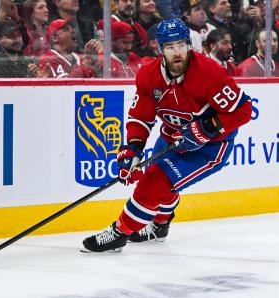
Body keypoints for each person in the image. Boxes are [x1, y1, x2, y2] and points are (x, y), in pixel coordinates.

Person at [81, 18, 253, 253]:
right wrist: (133, 148)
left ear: (188, 46)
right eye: (171, 47)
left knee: (156, 180)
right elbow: (141, 117)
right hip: (172, 138)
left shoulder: (209, 73)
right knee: (161, 183)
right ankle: (159, 226)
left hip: (210, 148)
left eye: (182, 45)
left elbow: (244, 110)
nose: (178, 52)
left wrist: (208, 128)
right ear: (160, 49)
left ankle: (120, 232)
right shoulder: (148, 76)